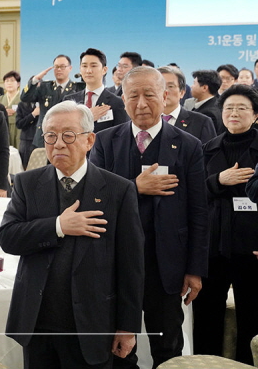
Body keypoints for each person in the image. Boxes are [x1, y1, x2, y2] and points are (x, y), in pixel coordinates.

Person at [0, 100, 144, 369]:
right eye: (51, 136)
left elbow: (131, 266)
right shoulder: (28, 183)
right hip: (39, 321)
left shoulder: (117, 190)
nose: (59, 144)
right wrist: (58, 226)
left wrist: (127, 326)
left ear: (89, 140)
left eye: (68, 135)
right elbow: (7, 237)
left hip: (93, 322)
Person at [90, 66, 208, 368]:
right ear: (122, 99)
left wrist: (195, 269)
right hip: (116, 263)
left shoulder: (188, 146)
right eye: (133, 96)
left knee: (167, 347)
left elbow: (198, 212)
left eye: (149, 95)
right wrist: (134, 187)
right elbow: (93, 201)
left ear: (165, 96)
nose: (141, 103)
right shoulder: (104, 142)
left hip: (166, 265)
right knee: (117, 349)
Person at [196, 84, 258, 364]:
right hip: (212, 244)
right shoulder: (206, 149)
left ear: (255, 115)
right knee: (207, 314)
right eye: (229, 107)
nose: (234, 113)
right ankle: (207, 363)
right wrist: (219, 181)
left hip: (251, 245)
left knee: (252, 316)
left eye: (242, 108)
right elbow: (193, 193)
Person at [20, 54, 84, 147]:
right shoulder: (44, 87)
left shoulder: (77, 88)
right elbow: (25, 97)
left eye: (62, 66)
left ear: (70, 68)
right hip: (44, 137)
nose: (59, 69)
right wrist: (35, 80)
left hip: (68, 138)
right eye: (56, 67)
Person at [63, 48, 128, 133]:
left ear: (104, 70)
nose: (88, 71)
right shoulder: (68, 101)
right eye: (84, 66)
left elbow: (122, 135)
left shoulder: (117, 103)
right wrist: (88, 117)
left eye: (93, 66)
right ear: (80, 69)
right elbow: (62, 129)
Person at [156, 66, 216, 145]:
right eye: (160, 86)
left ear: (182, 92)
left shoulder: (201, 122)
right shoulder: (141, 120)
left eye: (170, 86)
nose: (165, 91)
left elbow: (209, 155)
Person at [190, 69, 225, 134]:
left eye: (194, 83)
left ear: (204, 88)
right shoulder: (216, 103)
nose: (191, 86)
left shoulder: (208, 113)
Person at [0, 71, 21, 148]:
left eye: (12, 81)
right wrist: (3, 112)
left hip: (18, 129)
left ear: (18, 84)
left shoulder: (23, 99)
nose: (9, 83)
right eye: (7, 81)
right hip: (4, 127)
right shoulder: (0, 99)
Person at [15, 100, 40, 169]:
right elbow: (19, 124)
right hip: (26, 140)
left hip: (41, 139)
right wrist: (33, 115)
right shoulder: (22, 105)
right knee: (25, 166)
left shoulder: (45, 103)